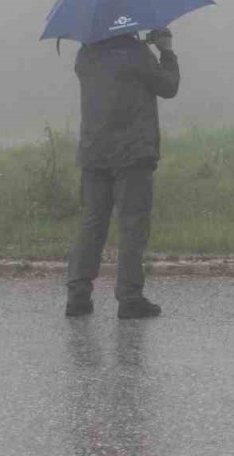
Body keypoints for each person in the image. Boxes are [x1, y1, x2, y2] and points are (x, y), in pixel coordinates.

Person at [64, 27, 179, 319]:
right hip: (132, 154)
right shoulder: (136, 54)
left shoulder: (85, 55)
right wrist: (165, 50)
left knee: (92, 224)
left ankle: (78, 295)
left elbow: (111, 73)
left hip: (93, 152)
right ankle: (130, 297)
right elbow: (168, 87)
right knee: (132, 225)